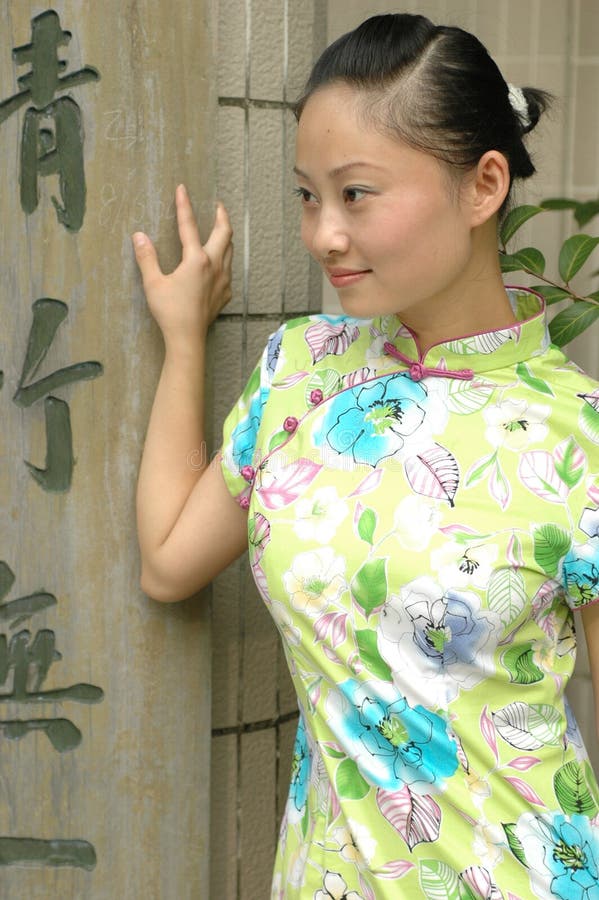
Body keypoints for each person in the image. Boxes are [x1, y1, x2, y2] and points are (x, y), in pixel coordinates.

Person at [133, 13, 599, 899]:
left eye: (356, 195)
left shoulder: (577, 435)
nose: (322, 234)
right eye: (308, 195)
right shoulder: (301, 372)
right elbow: (167, 562)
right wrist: (184, 339)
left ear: (482, 185)